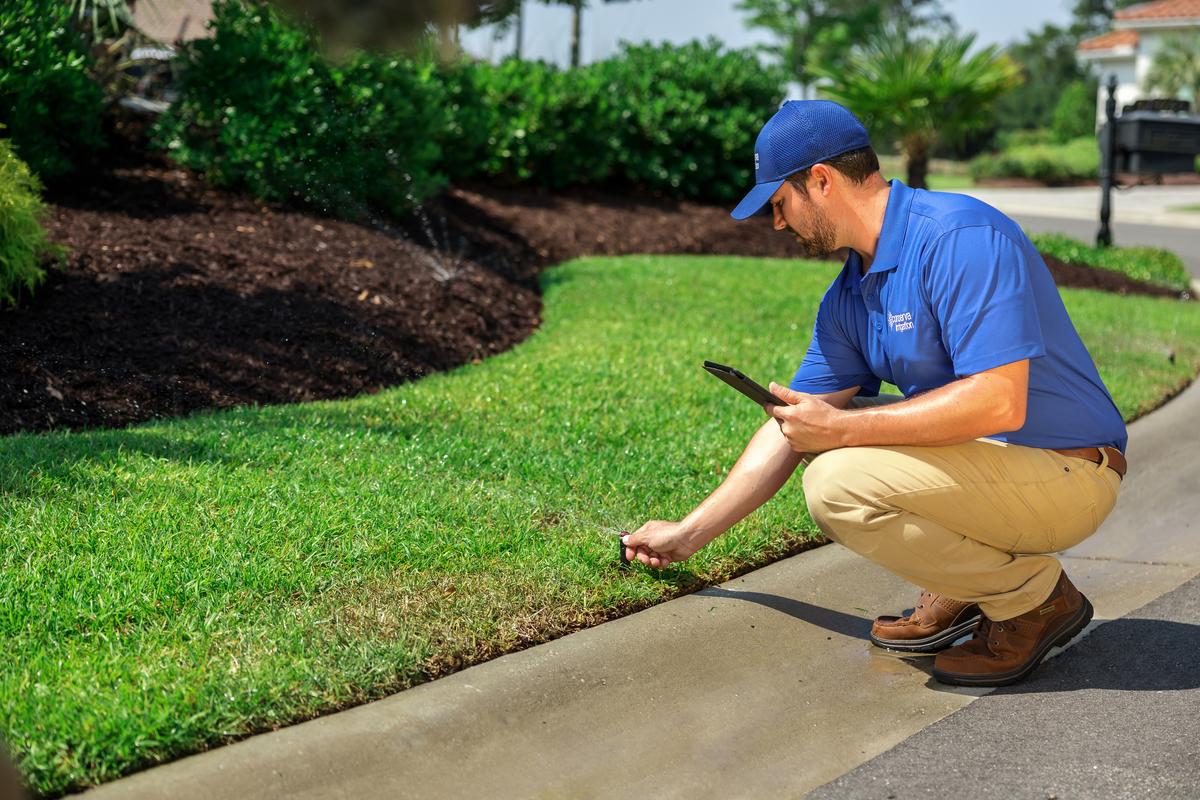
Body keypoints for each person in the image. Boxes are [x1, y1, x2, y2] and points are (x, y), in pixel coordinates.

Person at [619, 100, 1127, 687]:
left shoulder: (959, 237)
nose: (778, 223)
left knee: (836, 483)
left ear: (821, 181)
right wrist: (687, 534)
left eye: (779, 203)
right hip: (995, 468)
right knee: (816, 424)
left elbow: (998, 402)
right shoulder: (850, 294)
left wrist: (842, 430)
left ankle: (1031, 599)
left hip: (1069, 473)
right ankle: (968, 585)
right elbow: (790, 428)